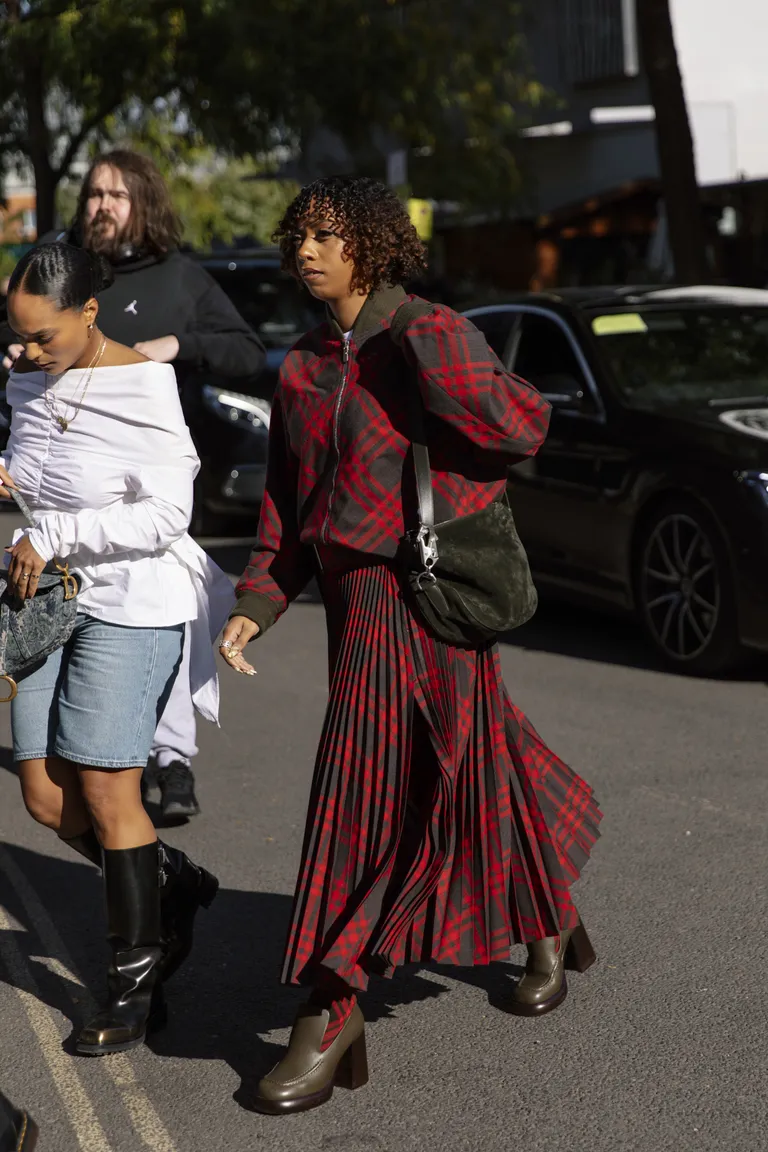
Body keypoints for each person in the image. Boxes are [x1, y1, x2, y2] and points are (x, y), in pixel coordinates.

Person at [221, 176, 603, 1115]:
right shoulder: (304, 366)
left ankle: (333, 1000)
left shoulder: (425, 333)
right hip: (355, 612)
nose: (307, 249)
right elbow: (284, 505)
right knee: (474, 765)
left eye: (328, 234)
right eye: (299, 234)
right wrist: (259, 600)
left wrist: (428, 338)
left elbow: (521, 427)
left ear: (373, 246)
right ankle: (551, 921)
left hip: (428, 595)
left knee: (371, 791)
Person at [2, 241, 233, 1056]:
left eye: (42, 337)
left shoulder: (145, 385)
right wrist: (10, 477)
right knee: (43, 797)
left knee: (105, 788)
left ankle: (133, 983)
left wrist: (56, 529)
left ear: (89, 313)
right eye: (19, 336)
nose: (27, 352)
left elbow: (165, 516)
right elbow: (35, 471)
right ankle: (171, 880)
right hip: (45, 596)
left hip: (132, 598)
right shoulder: (28, 376)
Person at [2, 150, 266, 822]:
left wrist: (173, 347)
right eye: (92, 194)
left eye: (116, 195)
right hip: (64, 497)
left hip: (151, 486)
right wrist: (23, 357)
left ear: (144, 203)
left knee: (159, 604)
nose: (100, 206)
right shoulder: (61, 271)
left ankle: (173, 760)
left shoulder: (180, 278)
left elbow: (246, 349)